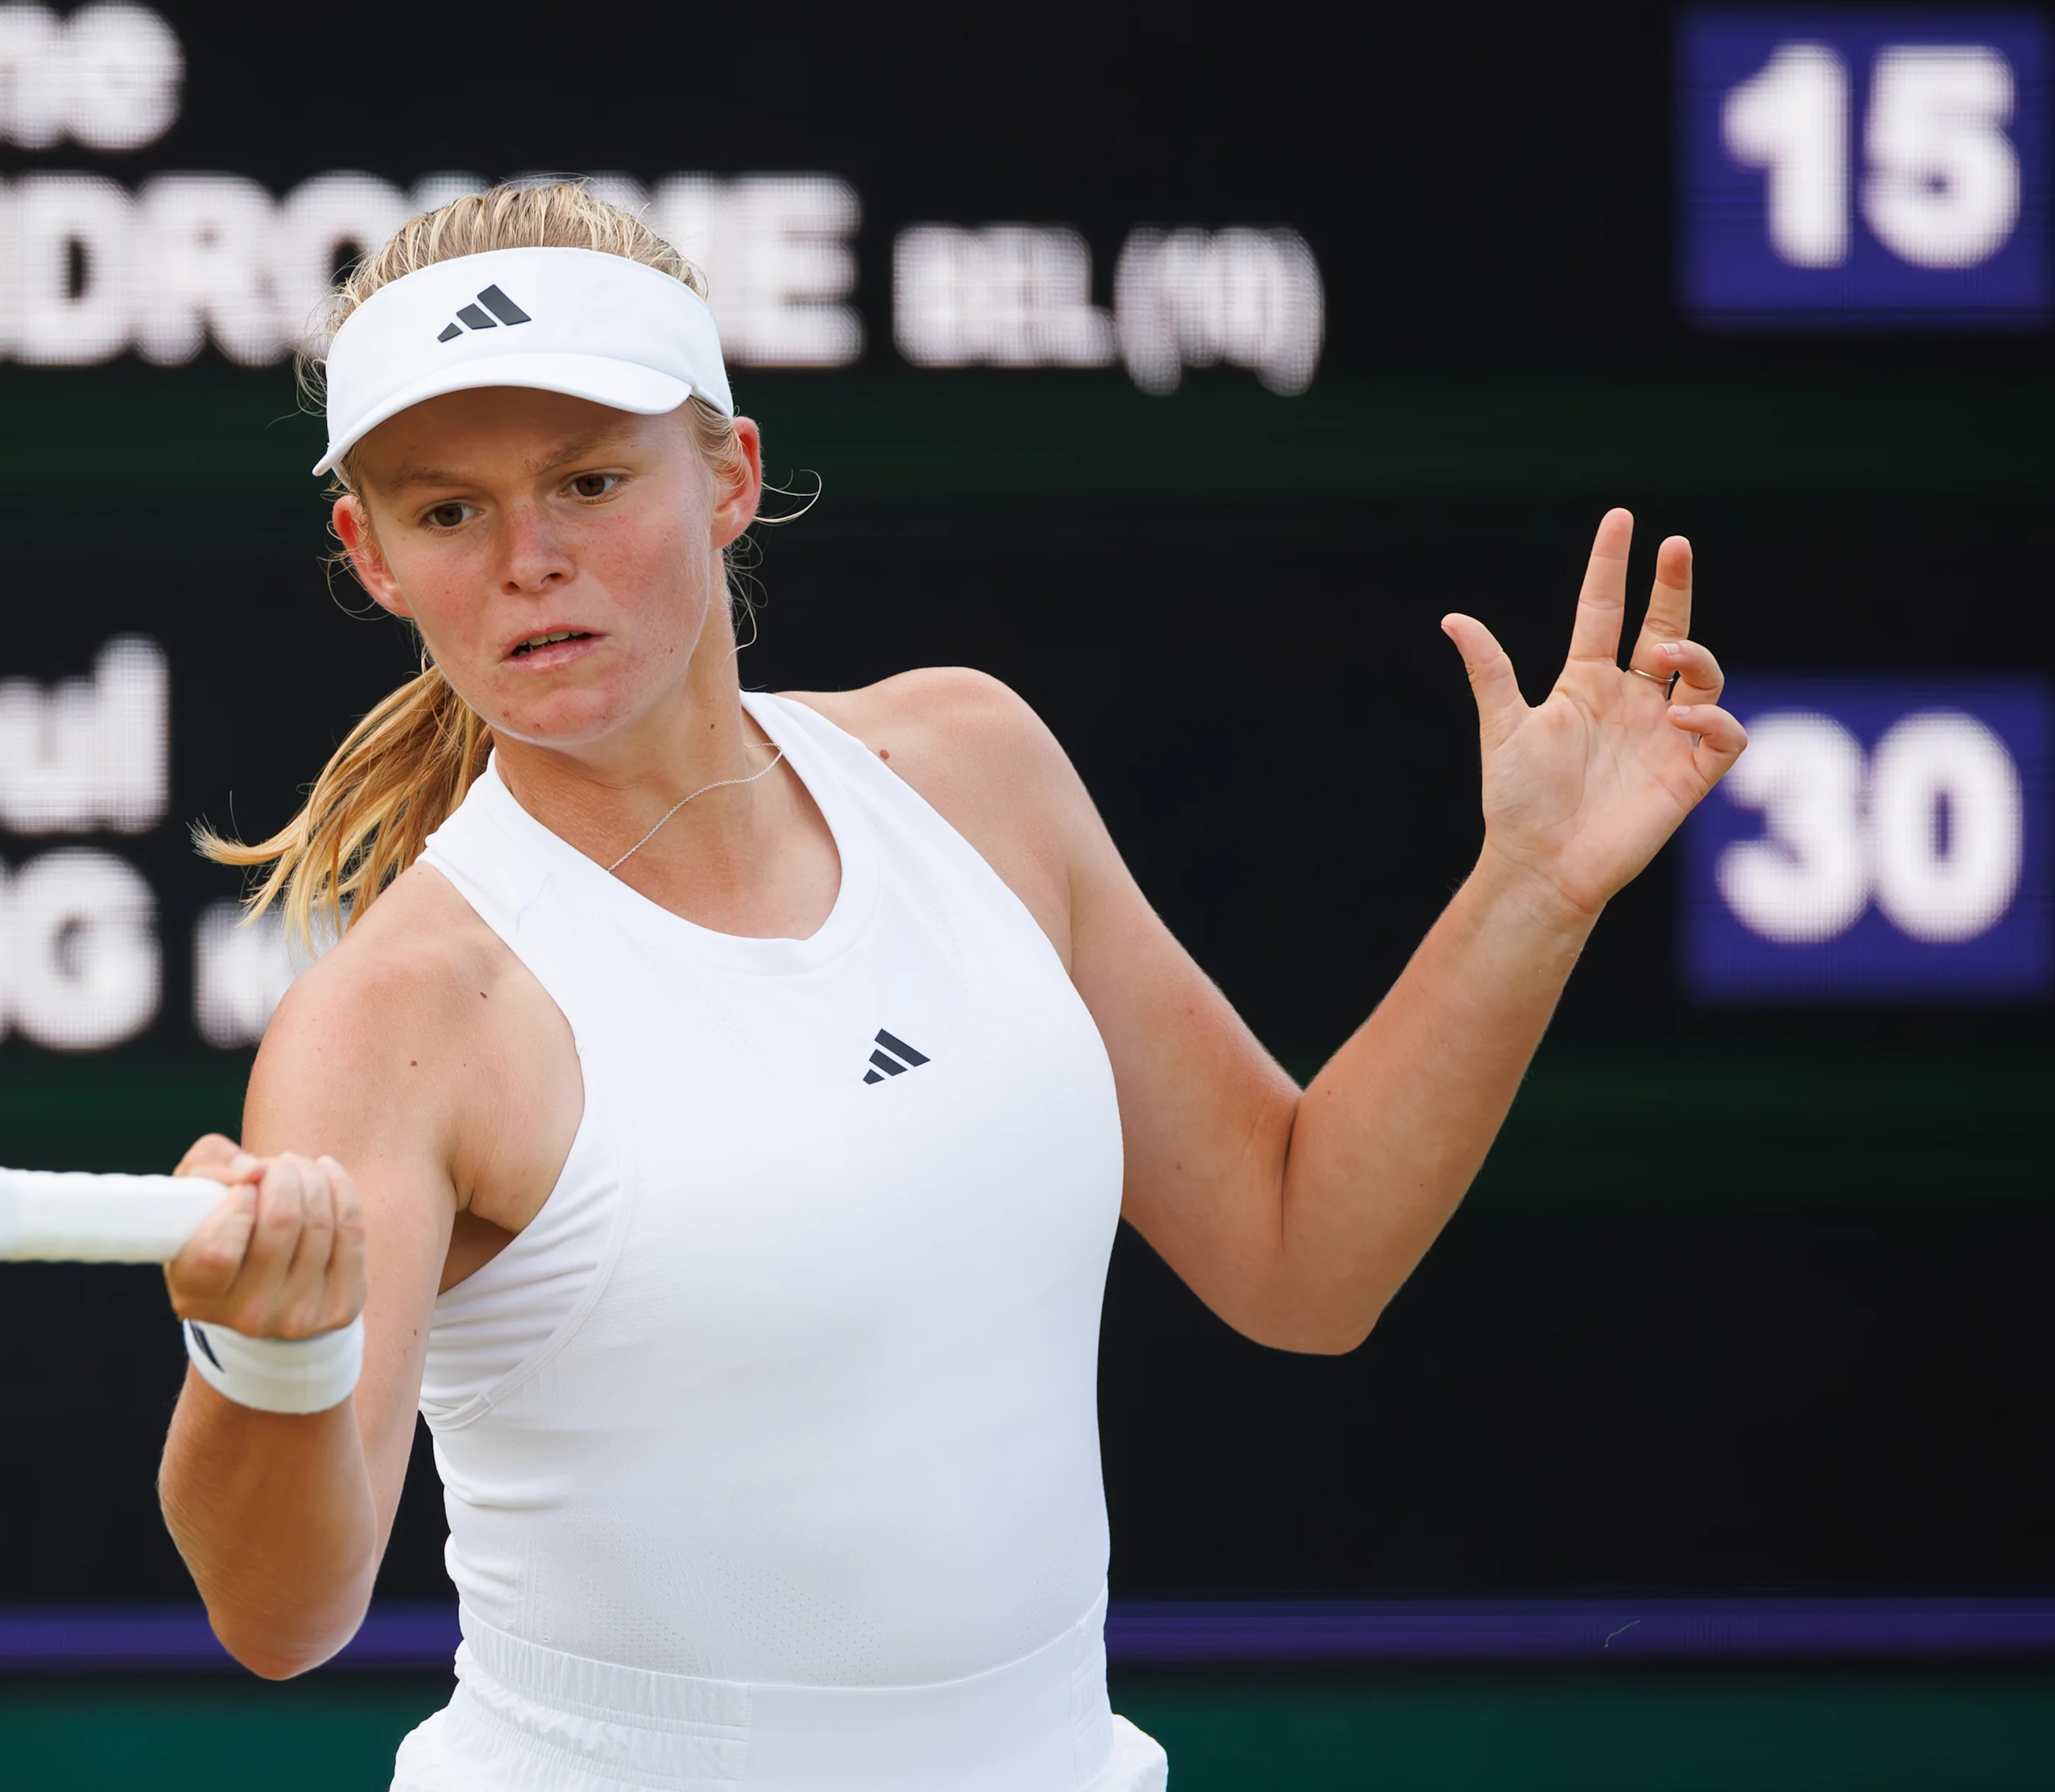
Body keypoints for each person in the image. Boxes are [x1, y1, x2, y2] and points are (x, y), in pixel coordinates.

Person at [149, 184, 1745, 1791]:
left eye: (590, 480)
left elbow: (1300, 1253)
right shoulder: (402, 1018)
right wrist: (259, 1362)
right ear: (372, 556)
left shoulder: (971, 767)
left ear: (729, 476)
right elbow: (285, 1620)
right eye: (449, 513)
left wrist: (1531, 891)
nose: (531, 561)